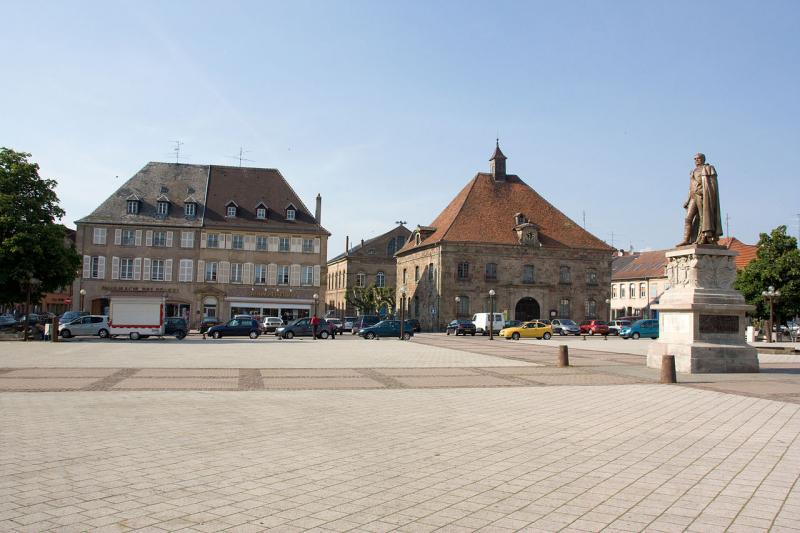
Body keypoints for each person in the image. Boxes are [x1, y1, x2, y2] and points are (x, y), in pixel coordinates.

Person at [678, 153, 722, 246]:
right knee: (688, 218)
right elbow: (691, 187)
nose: (696, 160)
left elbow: (712, 185)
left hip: (702, 196)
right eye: (695, 159)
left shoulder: (708, 168)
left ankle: (703, 237)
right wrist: (688, 199)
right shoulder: (693, 171)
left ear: (703, 159)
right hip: (693, 197)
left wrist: (704, 192)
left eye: (698, 158)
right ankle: (686, 240)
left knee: (703, 217)